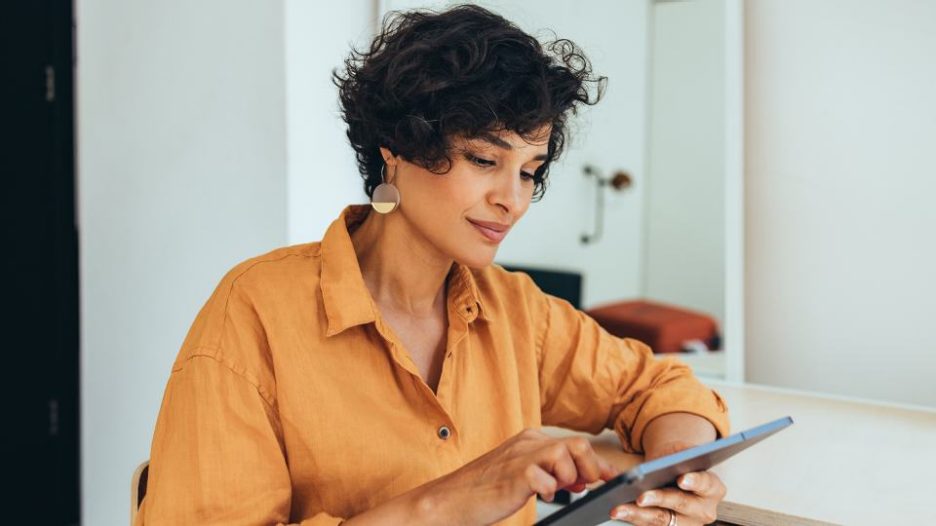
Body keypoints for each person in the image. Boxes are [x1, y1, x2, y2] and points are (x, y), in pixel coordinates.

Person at [137, 5, 730, 526]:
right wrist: (454, 499)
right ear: (395, 149)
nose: (513, 200)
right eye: (482, 159)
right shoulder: (255, 314)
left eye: (529, 171)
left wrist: (678, 476)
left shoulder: (516, 310)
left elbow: (659, 387)